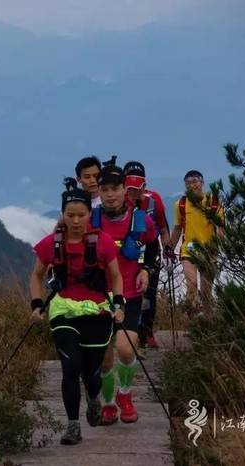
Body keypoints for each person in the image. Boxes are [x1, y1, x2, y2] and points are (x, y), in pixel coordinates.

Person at [30, 179, 124, 445]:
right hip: (63, 309)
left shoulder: (103, 242)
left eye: (81, 215)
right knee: (71, 368)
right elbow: (36, 276)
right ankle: (73, 426)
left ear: (89, 214)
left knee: (92, 373)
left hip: (97, 310)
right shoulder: (51, 243)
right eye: (70, 215)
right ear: (63, 214)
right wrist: (36, 304)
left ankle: (94, 399)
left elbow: (116, 276)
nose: (75, 221)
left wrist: (119, 305)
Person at [92, 160, 160, 425]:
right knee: (104, 358)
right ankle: (109, 403)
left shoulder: (140, 219)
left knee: (126, 349)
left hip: (129, 293)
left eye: (115, 188)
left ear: (124, 189)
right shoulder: (91, 220)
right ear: (99, 191)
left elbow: (152, 247)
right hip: (98, 296)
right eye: (105, 189)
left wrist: (146, 270)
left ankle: (125, 393)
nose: (110, 194)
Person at [123, 161, 172, 349]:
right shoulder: (119, 200)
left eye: (137, 188)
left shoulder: (154, 201)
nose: (132, 192)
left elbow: (163, 227)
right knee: (129, 292)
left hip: (151, 251)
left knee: (149, 292)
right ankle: (130, 332)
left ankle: (147, 332)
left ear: (144, 185)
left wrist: (168, 248)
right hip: (127, 252)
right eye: (129, 187)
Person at [168, 170, 224, 318]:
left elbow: (221, 227)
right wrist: (169, 248)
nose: (192, 185)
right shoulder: (180, 204)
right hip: (189, 250)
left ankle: (208, 320)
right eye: (188, 183)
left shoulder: (213, 202)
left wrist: (220, 242)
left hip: (209, 251)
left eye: (195, 181)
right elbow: (178, 228)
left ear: (202, 182)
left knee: (206, 291)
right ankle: (191, 321)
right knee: (191, 286)